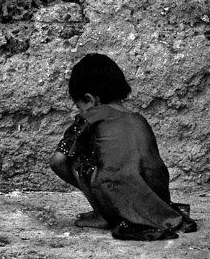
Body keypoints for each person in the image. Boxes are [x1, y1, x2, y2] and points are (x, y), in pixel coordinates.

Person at [48, 53, 197, 241]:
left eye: (80, 107)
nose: (82, 112)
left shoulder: (91, 118)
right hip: (156, 199)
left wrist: (90, 191)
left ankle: (103, 214)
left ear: (89, 99)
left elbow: (57, 161)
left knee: (76, 154)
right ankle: (130, 211)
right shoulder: (139, 120)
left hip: (116, 197)